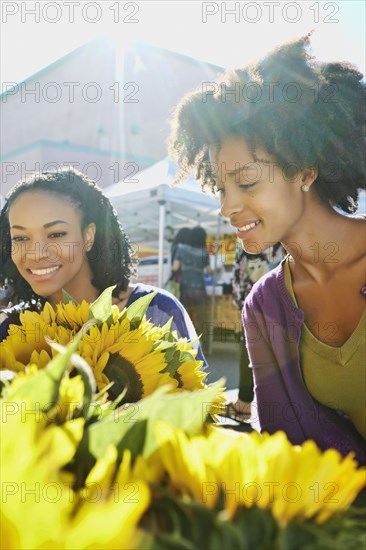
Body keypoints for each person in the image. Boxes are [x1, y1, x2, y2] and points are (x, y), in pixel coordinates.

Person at [168, 34, 366, 462]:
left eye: (247, 182)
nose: (227, 206)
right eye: (221, 188)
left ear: (305, 171)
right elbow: (286, 450)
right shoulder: (263, 308)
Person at [0, 168, 207, 367]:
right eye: (20, 237)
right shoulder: (10, 330)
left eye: (56, 234)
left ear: (88, 236)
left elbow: (198, 398)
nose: (36, 253)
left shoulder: (157, 311)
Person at [227, 241, 285, 422]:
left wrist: (241, 303)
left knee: (250, 354)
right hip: (285, 305)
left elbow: (238, 276)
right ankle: (285, 413)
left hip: (256, 305)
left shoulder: (248, 239)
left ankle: (243, 405)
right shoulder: (288, 234)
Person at [172, 226, 212, 352]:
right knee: (202, 319)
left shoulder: (181, 248)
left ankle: (186, 346)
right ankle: (205, 347)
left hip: (185, 288)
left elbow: (175, 267)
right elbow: (209, 271)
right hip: (200, 289)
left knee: (186, 318)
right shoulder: (203, 252)